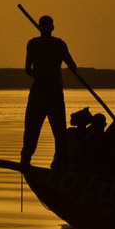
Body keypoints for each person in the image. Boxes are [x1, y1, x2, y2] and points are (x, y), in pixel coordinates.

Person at [21, 15, 75, 165]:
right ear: (52, 28)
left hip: (40, 92)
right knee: (59, 133)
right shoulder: (59, 45)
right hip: (53, 93)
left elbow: (28, 70)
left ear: (40, 28)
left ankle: (26, 160)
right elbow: (73, 66)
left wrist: (39, 74)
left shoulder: (33, 44)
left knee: (33, 130)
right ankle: (61, 163)